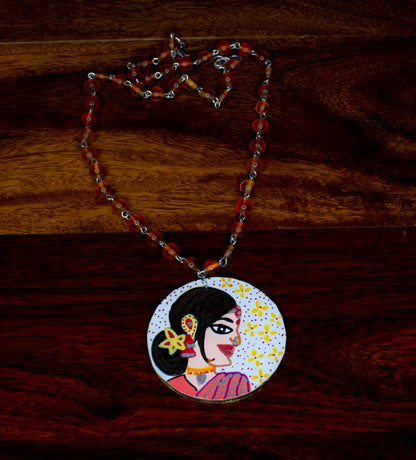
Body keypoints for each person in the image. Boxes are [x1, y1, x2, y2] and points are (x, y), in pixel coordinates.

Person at [151, 286, 250, 401]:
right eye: (222, 329)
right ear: (190, 326)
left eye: (236, 331)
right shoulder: (172, 387)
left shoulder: (235, 384)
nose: (237, 340)